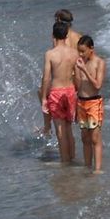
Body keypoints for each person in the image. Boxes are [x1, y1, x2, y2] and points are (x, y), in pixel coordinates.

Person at [40, 21, 80, 162]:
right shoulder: (74, 53)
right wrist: (78, 93)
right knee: (69, 129)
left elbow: (46, 78)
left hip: (56, 92)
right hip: (70, 91)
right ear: (66, 35)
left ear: (53, 35)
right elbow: (78, 77)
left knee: (60, 132)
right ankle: (72, 159)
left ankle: (65, 164)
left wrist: (44, 97)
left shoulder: (50, 54)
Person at [74, 34, 107, 172]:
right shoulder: (79, 63)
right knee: (85, 138)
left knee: (95, 137)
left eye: (83, 51)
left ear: (91, 49)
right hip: (81, 103)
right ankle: (87, 167)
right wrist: (75, 72)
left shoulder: (99, 63)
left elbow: (97, 85)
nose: (80, 54)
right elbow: (77, 86)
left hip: (94, 102)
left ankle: (97, 169)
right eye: (79, 51)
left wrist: (84, 70)